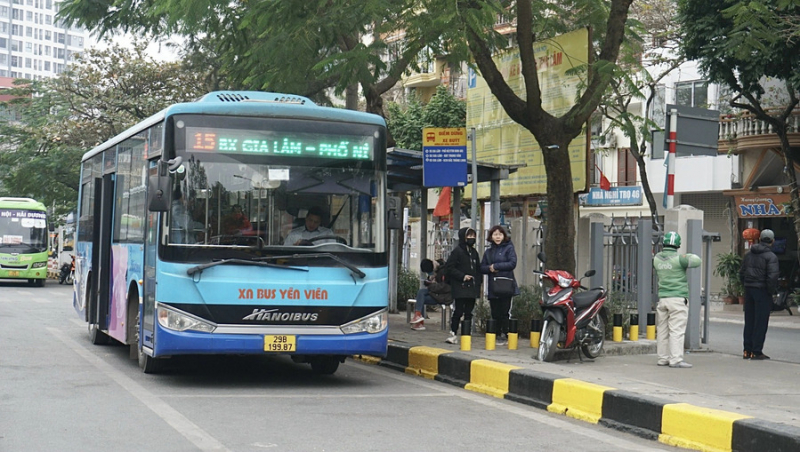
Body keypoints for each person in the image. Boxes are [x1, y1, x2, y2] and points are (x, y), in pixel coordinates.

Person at [653, 231, 701, 368]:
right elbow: (697, 261)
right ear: (678, 245)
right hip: (678, 299)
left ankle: (662, 358)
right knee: (676, 330)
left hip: (663, 299)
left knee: (662, 330)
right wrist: (686, 255)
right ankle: (675, 359)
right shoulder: (680, 259)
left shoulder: (657, 259)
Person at [739, 228, 779, 360]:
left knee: (749, 320)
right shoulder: (771, 257)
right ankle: (756, 351)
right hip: (762, 290)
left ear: (760, 239)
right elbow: (772, 278)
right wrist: (770, 292)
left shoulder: (749, 254)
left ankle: (746, 350)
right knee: (760, 322)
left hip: (749, 289)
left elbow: (742, 273)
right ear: (772, 241)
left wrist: (746, 284)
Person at [480, 225, 518, 346]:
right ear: (491, 236)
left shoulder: (509, 248)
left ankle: (505, 334)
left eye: (500, 234)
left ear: (504, 236)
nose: (497, 237)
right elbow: (482, 267)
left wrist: (496, 266)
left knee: (505, 311)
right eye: (495, 234)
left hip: (506, 284)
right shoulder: (488, 252)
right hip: (494, 286)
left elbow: (512, 263)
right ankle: (495, 334)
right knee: (495, 311)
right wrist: (489, 269)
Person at [443, 227, 482, 344]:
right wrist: (462, 276)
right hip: (460, 287)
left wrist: (478, 285)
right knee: (458, 311)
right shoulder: (457, 251)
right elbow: (449, 268)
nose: (471, 238)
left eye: (473, 236)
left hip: (472, 288)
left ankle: (466, 335)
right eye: (469, 236)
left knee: (469, 312)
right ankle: (453, 333)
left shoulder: (474, 253)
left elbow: (478, 270)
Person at [410, 258, 452, 331]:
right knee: (421, 295)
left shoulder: (445, 271)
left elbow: (445, 287)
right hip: (436, 294)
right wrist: (429, 281)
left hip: (443, 296)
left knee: (421, 295)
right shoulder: (436, 270)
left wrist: (431, 285)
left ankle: (419, 320)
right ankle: (418, 316)